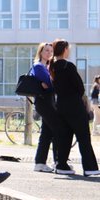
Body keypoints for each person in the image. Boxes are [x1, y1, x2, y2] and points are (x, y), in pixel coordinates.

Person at [49, 39, 100, 176]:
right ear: (65, 49)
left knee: (64, 137)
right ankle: (90, 168)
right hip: (74, 106)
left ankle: (61, 165)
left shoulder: (52, 66)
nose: (69, 50)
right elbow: (80, 87)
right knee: (83, 137)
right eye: (68, 48)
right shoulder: (68, 66)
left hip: (60, 106)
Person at [30, 42, 61, 173]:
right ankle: (58, 162)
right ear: (41, 52)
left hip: (48, 102)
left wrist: (50, 83)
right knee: (58, 130)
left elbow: (49, 84)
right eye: (46, 50)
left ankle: (40, 163)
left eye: (51, 51)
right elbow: (51, 84)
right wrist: (51, 82)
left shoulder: (46, 67)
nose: (49, 53)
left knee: (47, 133)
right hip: (44, 103)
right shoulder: (38, 66)